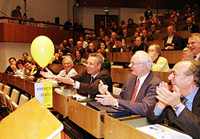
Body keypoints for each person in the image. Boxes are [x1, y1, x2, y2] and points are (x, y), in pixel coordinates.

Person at [95, 51, 161, 116]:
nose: (130, 65)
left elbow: (145, 108)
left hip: (141, 119)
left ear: (143, 66)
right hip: (125, 114)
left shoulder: (155, 83)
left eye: (133, 63)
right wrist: (106, 93)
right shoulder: (130, 78)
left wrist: (115, 102)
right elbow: (122, 98)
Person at [146, 59, 200, 139]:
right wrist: (161, 104)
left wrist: (177, 105)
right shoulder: (173, 92)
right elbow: (151, 118)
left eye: (174, 74)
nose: (169, 77)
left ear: (189, 80)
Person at [40, 53, 113, 99]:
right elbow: (74, 79)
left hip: (100, 106)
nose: (88, 66)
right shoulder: (85, 71)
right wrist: (55, 77)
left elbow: (92, 89)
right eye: (87, 63)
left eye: (91, 64)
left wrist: (73, 83)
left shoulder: (104, 74)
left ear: (99, 66)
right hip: (85, 103)